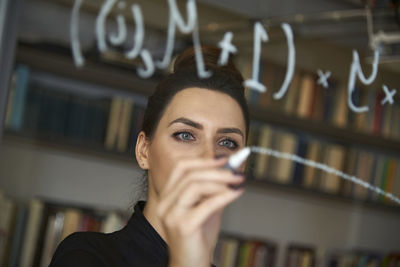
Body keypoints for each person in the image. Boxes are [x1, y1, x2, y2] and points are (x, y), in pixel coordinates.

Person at [49, 46, 250, 267]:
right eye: (185, 135)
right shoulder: (86, 256)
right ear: (144, 150)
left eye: (228, 142)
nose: (208, 158)